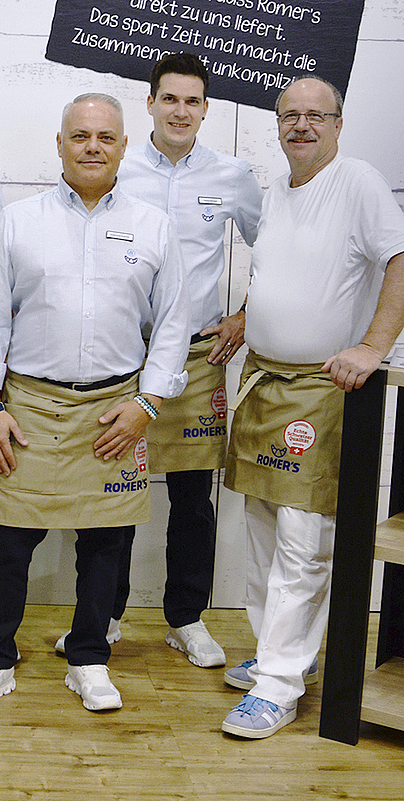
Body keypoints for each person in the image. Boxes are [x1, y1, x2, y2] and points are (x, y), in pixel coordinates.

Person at [0, 93, 188, 713]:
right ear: (59, 143)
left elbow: (172, 324)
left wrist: (147, 405)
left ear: (123, 147)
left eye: (106, 137)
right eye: (80, 136)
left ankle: (89, 658)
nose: (92, 147)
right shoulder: (18, 221)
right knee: (5, 542)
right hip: (27, 408)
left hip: (115, 410)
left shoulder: (154, 225)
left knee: (106, 543)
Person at [221, 75, 404, 739]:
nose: (301, 125)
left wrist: (374, 346)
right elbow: (278, 275)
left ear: (338, 124)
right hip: (263, 382)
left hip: (323, 391)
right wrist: (248, 315)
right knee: (262, 531)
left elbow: (400, 259)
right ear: (277, 125)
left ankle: (278, 687)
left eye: (315, 115)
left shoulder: (358, 183)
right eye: (289, 115)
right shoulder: (276, 192)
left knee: (304, 543)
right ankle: (279, 655)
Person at [74, 52, 261, 667]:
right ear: (150, 103)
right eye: (170, 99)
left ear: (206, 109)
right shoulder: (118, 167)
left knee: (191, 497)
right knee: (115, 489)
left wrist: (244, 316)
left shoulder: (232, 175)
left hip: (198, 358)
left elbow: (275, 250)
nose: (180, 111)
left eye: (192, 101)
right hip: (127, 356)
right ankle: (106, 615)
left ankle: (186, 617)